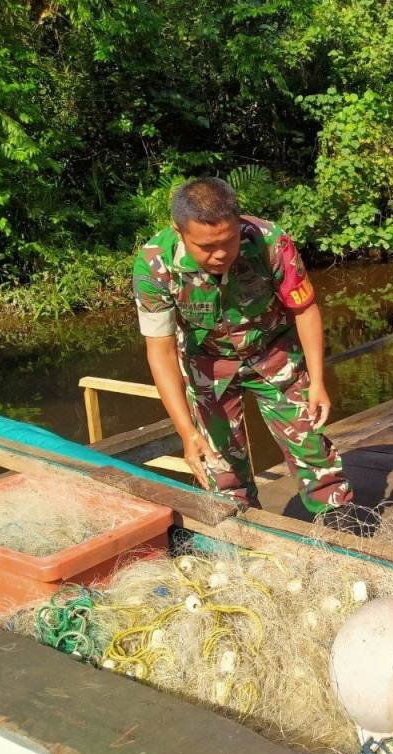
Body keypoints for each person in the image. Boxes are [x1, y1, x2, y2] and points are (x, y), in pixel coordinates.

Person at [132, 177, 353, 517]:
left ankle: (337, 518)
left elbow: (305, 309)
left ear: (239, 223)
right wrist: (186, 432)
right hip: (208, 363)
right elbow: (159, 351)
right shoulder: (154, 266)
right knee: (219, 463)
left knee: (310, 442)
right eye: (206, 247)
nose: (221, 254)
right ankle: (242, 530)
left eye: (229, 240)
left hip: (272, 352)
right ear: (179, 231)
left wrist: (318, 382)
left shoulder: (270, 242)